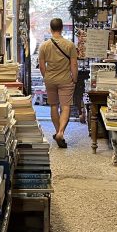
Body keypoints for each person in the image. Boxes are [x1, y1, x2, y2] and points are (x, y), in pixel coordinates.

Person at [38, 18, 77, 148]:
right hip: (65, 79)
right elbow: (74, 65)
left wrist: (47, 76)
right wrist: (75, 79)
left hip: (50, 79)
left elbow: (42, 66)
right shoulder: (70, 45)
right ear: (61, 29)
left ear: (50, 29)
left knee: (53, 105)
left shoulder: (44, 46)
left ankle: (56, 131)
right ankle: (61, 132)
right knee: (66, 106)